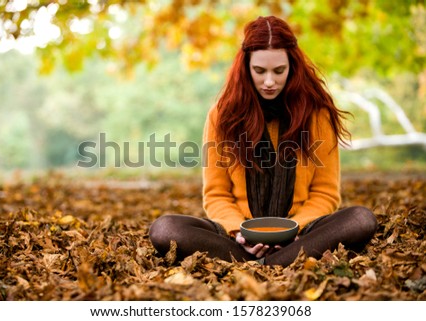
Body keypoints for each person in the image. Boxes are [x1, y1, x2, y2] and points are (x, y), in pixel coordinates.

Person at [149, 16, 378, 267]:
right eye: (260, 71)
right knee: (165, 228)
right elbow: (217, 194)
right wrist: (239, 233)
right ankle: (270, 259)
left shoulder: (317, 114)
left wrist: (295, 232)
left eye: (279, 71)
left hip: (303, 231)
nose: (269, 81)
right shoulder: (222, 115)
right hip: (238, 236)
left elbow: (325, 193)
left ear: (293, 66)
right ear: (245, 67)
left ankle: (265, 262)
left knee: (361, 219)